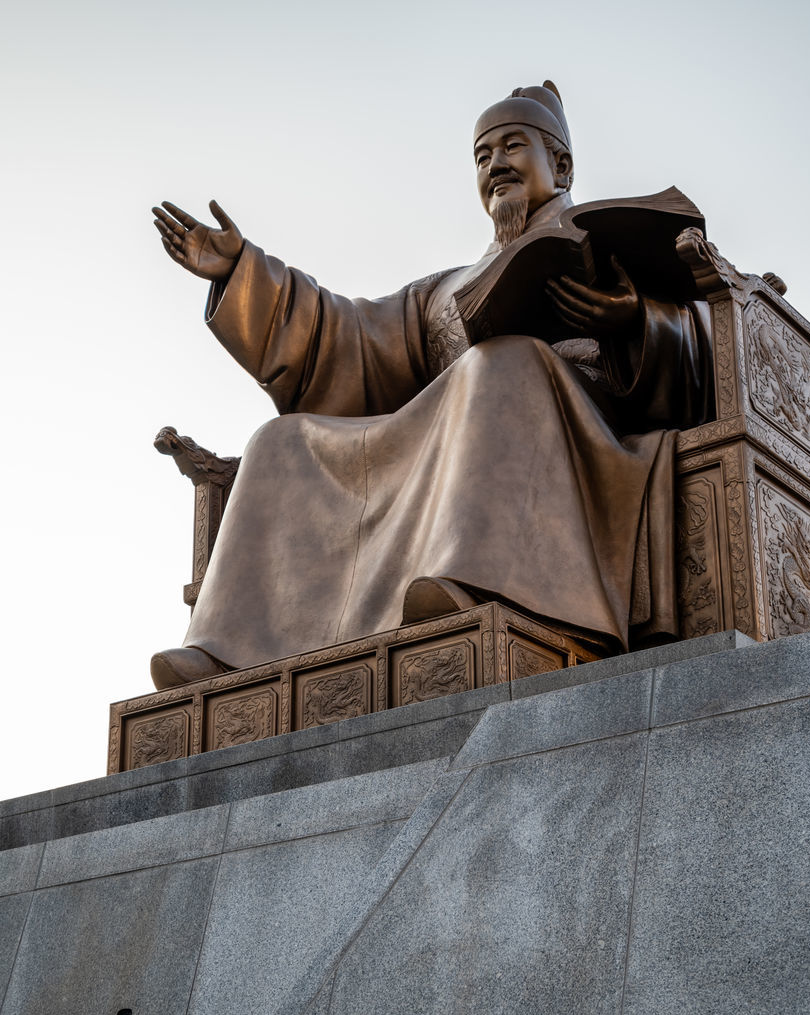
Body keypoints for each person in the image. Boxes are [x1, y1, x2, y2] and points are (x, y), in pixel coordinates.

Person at [150, 82, 713, 690]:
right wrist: (243, 272)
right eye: (481, 156)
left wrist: (636, 322)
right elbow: (350, 338)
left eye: (512, 146)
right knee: (281, 441)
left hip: (583, 455)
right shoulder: (445, 292)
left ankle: (478, 585)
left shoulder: (612, 253)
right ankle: (230, 647)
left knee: (502, 364)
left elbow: (712, 340)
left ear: (563, 164)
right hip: (446, 447)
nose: (495, 165)